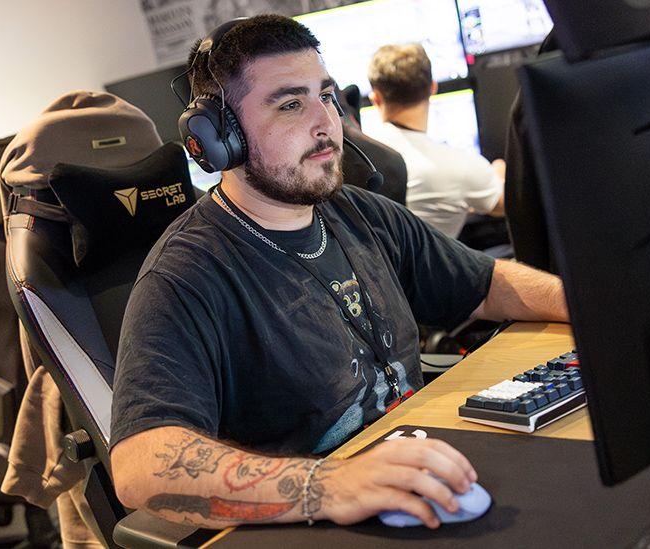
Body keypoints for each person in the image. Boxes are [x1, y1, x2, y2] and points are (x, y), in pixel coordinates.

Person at [109, 15, 568, 530]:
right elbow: (140, 466)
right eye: (289, 104)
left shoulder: (359, 211)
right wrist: (329, 485)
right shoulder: (187, 274)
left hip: (418, 470)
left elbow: (488, 286)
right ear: (223, 139)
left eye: (325, 96)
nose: (325, 122)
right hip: (320, 518)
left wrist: (595, 308)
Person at [365, 44, 506, 238]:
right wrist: (499, 169)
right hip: (435, 268)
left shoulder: (357, 157)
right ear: (433, 87)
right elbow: (503, 205)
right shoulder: (460, 165)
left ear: (376, 98)